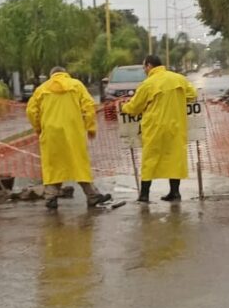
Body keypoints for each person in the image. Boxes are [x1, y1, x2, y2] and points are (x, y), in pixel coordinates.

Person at [26, 66, 112, 211]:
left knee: (53, 166)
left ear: (51, 75)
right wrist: (90, 127)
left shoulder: (42, 89)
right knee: (79, 165)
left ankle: (51, 198)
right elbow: (89, 106)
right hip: (74, 134)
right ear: (66, 74)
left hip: (51, 134)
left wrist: (38, 128)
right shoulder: (76, 85)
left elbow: (31, 110)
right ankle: (92, 196)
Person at [121, 54, 197, 203]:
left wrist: (124, 107)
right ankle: (175, 193)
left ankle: (144, 195)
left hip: (154, 128)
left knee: (150, 160)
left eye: (144, 67)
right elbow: (192, 95)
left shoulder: (148, 84)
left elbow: (135, 107)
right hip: (176, 127)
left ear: (149, 66)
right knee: (175, 158)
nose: (144, 70)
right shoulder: (179, 79)